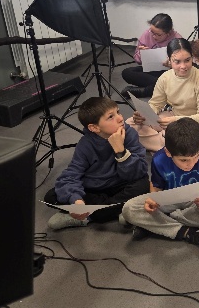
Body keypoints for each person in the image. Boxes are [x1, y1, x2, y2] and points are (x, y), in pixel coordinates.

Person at [45, 97, 149, 230]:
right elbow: (70, 176)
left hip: (122, 183)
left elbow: (138, 172)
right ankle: (122, 210)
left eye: (118, 112)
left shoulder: (129, 134)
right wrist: (77, 201)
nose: (120, 118)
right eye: (111, 117)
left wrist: (120, 151)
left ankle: (89, 216)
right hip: (96, 188)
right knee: (51, 196)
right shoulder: (85, 144)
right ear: (94, 127)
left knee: (143, 185)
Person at [122, 118, 199, 253]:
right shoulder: (159, 159)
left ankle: (155, 225)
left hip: (196, 199)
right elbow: (156, 187)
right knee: (128, 209)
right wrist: (153, 199)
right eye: (184, 160)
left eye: (196, 156)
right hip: (169, 198)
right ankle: (187, 231)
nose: (191, 164)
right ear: (168, 153)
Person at [128, 38, 199, 152]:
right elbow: (155, 104)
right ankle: (167, 145)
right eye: (177, 62)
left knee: (180, 138)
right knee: (129, 124)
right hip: (174, 116)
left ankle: (163, 143)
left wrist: (176, 120)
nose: (183, 66)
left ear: (192, 58)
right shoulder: (165, 77)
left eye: (187, 60)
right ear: (169, 60)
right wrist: (144, 115)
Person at [122, 13, 182, 98]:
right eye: (152, 32)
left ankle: (143, 92)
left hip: (169, 73)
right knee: (127, 73)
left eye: (158, 34)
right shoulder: (147, 34)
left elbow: (184, 66)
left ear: (168, 33)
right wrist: (141, 54)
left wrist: (172, 65)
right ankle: (161, 87)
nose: (154, 36)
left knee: (177, 81)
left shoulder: (177, 39)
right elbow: (137, 60)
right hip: (151, 70)